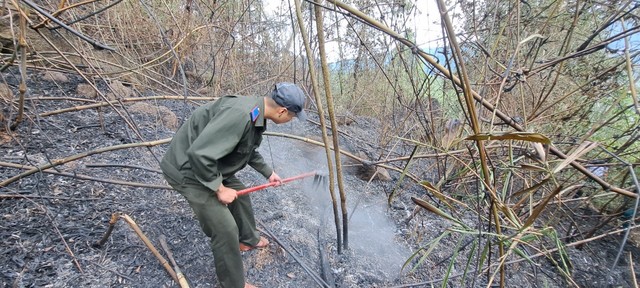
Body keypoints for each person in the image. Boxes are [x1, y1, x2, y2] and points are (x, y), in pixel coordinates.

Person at [160, 82, 307, 288]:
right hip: (187, 169)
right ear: (282, 111)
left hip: (210, 162)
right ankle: (232, 284)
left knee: (241, 195)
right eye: (292, 116)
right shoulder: (240, 115)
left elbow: (245, 148)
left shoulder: (256, 111)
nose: (290, 120)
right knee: (225, 229)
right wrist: (219, 188)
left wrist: (268, 172)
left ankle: (247, 239)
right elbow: (198, 154)